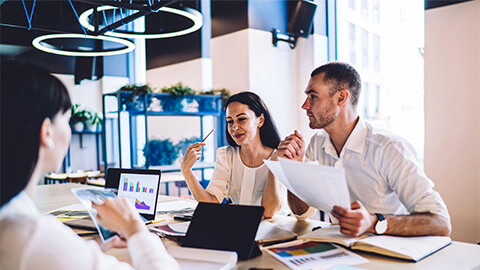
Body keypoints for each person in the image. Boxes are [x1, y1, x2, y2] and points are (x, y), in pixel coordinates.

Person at [0, 61, 180, 270]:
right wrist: (135, 228)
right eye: (66, 120)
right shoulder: (32, 236)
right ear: (47, 132)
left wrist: (84, 249)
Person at [278, 62, 451, 237]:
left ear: (341, 98)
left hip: (389, 253)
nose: (305, 105)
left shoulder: (388, 148)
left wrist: (374, 223)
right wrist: (295, 168)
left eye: (313, 96)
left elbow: (441, 222)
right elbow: (302, 212)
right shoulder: (317, 143)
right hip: (342, 250)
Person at [181, 91, 284, 218]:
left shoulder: (280, 157)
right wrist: (187, 171)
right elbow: (210, 203)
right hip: (240, 230)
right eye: (230, 121)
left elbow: (268, 213)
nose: (234, 127)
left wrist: (273, 165)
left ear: (260, 120)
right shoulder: (226, 156)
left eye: (242, 119)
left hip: (276, 233)